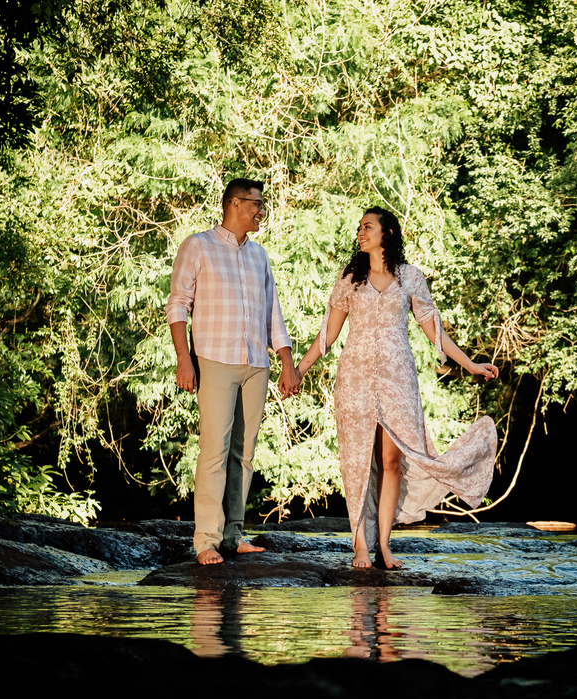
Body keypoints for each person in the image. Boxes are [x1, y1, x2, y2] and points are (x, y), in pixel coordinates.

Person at [293, 207, 498, 569]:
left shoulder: (410, 278)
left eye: (367, 227)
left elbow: (435, 331)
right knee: (356, 462)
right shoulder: (350, 279)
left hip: (398, 380)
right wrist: (299, 369)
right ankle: (360, 548)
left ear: (386, 233)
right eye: (359, 228)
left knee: (392, 461)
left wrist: (471, 365)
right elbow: (328, 333)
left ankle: (384, 546)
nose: (360, 232)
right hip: (354, 380)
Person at [166, 178, 301, 565]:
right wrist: (183, 358)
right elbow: (178, 305)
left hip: (256, 363)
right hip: (214, 359)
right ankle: (206, 540)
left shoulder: (259, 255)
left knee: (244, 453)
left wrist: (287, 362)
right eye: (257, 204)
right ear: (235, 204)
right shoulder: (198, 245)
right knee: (214, 449)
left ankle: (233, 534)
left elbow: (273, 313)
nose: (261, 211)